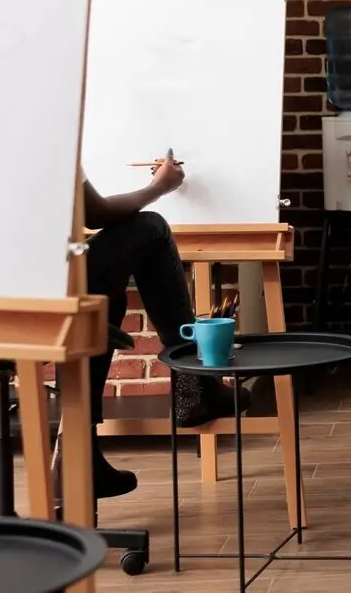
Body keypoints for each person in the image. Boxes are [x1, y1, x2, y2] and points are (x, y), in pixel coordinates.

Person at [83, 157, 249, 498]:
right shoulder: (44, 141)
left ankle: (78, 453)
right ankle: (194, 386)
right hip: (45, 296)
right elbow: (94, 213)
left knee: (105, 302)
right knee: (151, 228)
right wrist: (160, 186)